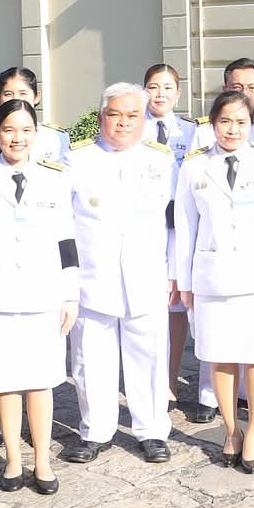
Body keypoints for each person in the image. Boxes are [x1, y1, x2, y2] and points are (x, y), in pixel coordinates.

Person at [170, 90, 254, 472]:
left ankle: (253, 430)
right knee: (219, 356)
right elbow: (184, 227)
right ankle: (230, 429)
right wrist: (184, 280)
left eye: (241, 122)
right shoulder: (194, 167)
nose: (232, 129)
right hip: (212, 278)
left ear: (252, 125)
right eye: (225, 121)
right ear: (212, 124)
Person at [0, 99, 80, 493]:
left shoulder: (55, 177)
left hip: (42, 294)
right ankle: (13, 459)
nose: (17, 137)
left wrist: (70, 294)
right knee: (5, 381)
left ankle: (43, 462)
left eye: (26, 130)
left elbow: (67, 240)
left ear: (36, 134)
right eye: (9, 129)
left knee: (41, 381)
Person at [63, 83, 176, 464]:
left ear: (143, 120)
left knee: (149, 357)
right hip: (93, 279)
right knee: (90, 358)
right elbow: (63, 225)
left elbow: (174, 222)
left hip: (146, 277)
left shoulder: (161, 161)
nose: (123, 123)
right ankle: (95, 431)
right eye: (115, 114)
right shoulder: (77, 160)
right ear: (100, 118)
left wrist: (174, 271)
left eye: (132, 115)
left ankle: (153, 431)